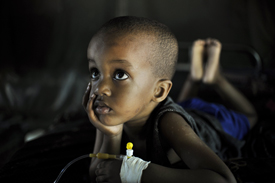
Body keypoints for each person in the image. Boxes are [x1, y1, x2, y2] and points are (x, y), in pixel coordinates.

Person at [82, 16, 254, 183]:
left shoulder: (170, 123)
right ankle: (194, 78)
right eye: (95, 72)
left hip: (212, 121)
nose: (99, 88)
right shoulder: (110, 110)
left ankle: (216, 79)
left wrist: (140, 173)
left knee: (250, 116)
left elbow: (224, 180)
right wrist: (112, 135)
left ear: (159, 91)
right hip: (183, 109)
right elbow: (98, 175)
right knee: (183, 105)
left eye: (120, 74)